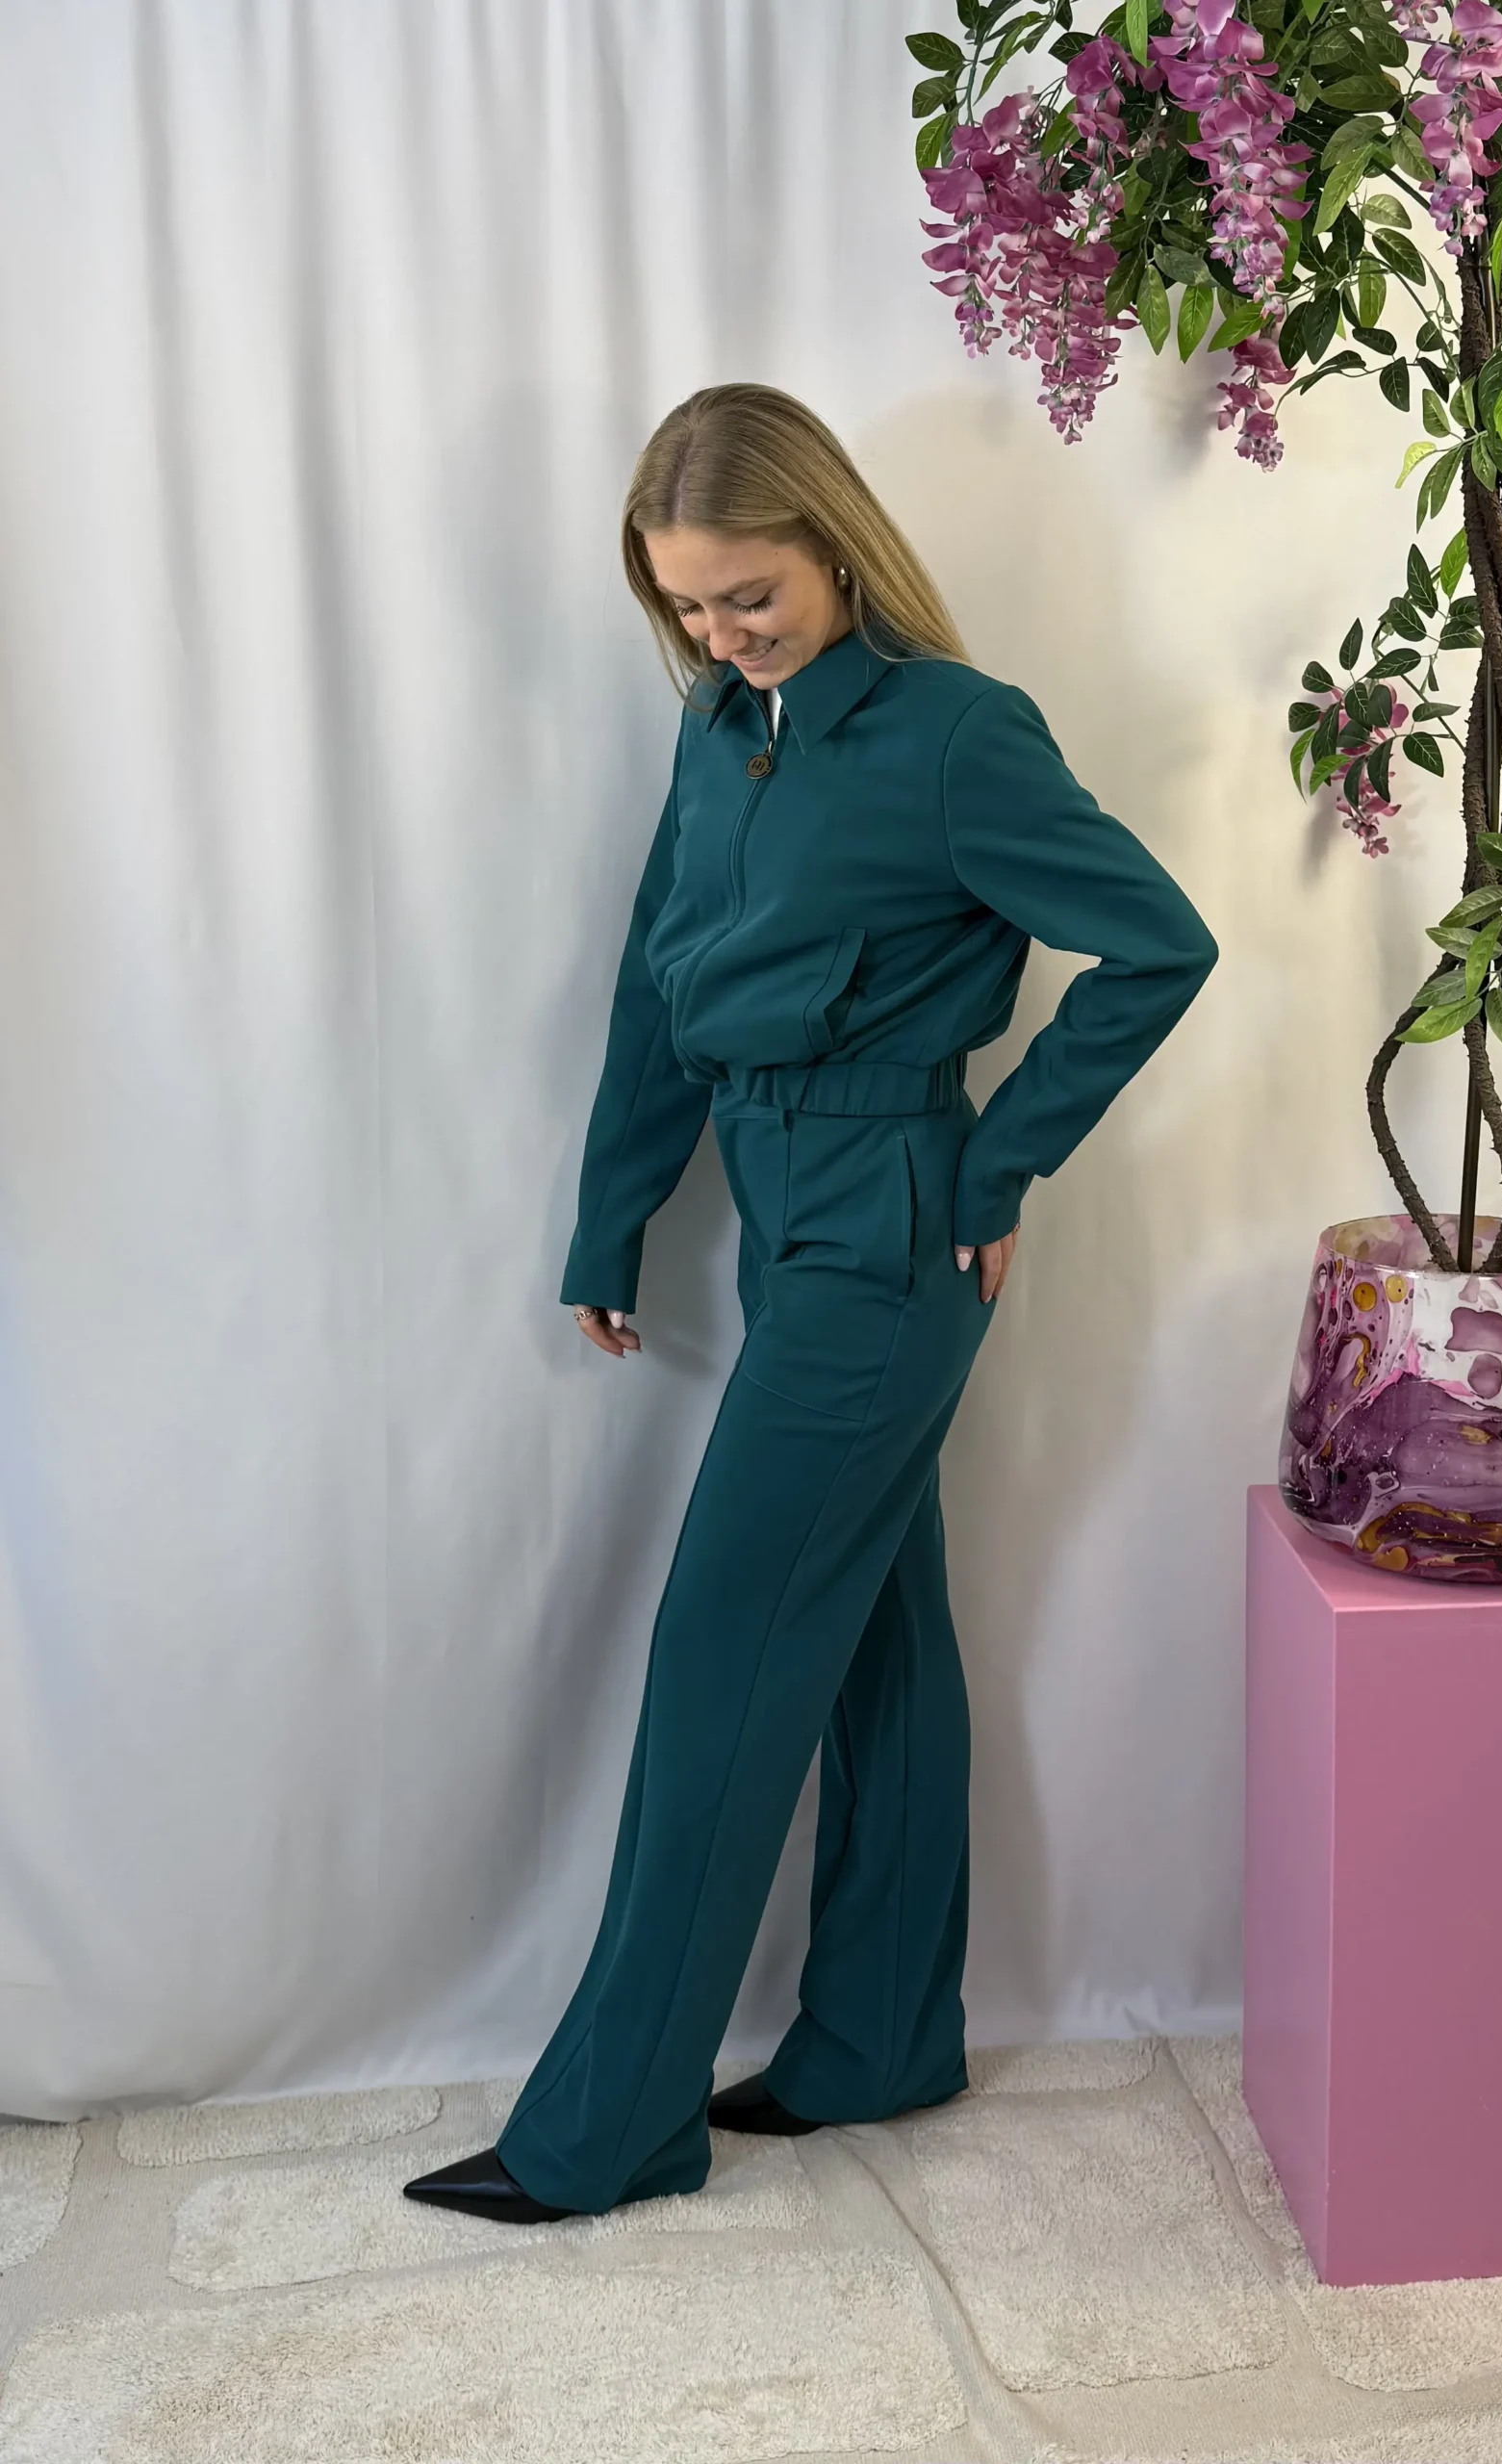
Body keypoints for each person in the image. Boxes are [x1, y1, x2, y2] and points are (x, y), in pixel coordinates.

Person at [404, 382, 1217, 2223]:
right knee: (873, 1635)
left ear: (836, 549)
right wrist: (612, 1221)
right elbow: (655, 977)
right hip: (777, 1220)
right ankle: (877, 2041)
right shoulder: (719, 730)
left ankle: (609, 2126)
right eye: (686, 604)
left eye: (748, 595)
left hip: (889, 1224)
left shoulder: (956, 735)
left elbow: (1156, 943)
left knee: (718, 1657)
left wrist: (998, 1167)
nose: (719, 634)